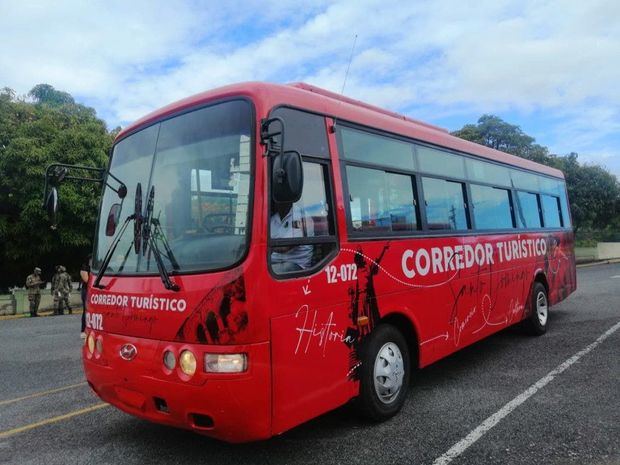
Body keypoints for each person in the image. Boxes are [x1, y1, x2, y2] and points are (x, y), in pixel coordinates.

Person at [270, 201, 314, 273]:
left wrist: (267, 247)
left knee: (260, 273)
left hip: (296, 264)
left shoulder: (302, 217)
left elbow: (285, 247)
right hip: (273, 262)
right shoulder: (273, 219)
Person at [80, 255, 91, 338]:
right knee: (86, 310)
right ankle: (83, 330)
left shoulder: (98, 267)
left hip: (94, 290)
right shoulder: (84, 268)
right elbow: (86, 280)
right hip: (86, 290)